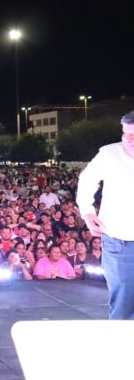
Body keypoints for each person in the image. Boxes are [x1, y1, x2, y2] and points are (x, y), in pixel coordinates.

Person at [77, 110, 134, 319]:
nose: (129, 140)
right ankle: (123, 349)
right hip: (120, 242)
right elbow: (87, 180)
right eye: (126, 134)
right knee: (124, 303)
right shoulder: (109, 154)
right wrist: (88, 211)